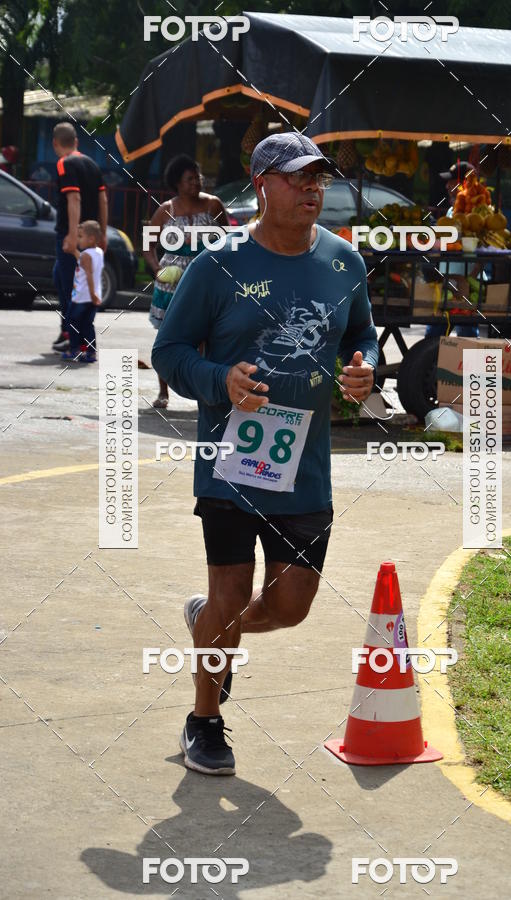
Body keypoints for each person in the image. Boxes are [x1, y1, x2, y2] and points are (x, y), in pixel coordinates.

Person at [152, 132, 379, 775]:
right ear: (262, 187)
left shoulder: (344, 262)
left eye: (319, 178)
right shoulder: (217, 265)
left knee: (289, 607)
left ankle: (209, 629)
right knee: (230, 588)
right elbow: (171, 351)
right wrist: (219, 380)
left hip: (305, 466)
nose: (313, 188)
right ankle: (205, 721)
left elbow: (361, 335)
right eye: (297, 178)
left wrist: (366, 368)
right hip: (231, 459)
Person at [143, 155, 228, 408]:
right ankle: (163, 392)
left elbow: (229, 241)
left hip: (207, 278)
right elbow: (148, 246)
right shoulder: (165, 209)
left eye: (198, 178)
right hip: (172, 281)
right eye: (190, 179)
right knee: (167, 336)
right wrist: (157, 269)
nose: (196, 183)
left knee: (206, 337)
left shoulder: (214, 205)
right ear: (177, 183)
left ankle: (203, 391)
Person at [51, 122, 107, 352]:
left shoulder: (65, 163)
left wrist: (72, 235)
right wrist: (102, 233)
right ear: (76, 142)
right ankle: (70, 331)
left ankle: (77, 337)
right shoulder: (92, 164)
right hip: (91, 237)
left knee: (71, 288)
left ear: (55, 144)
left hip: (73, 235)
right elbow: (103, 201)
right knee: (60, 277)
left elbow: (74, 199)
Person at [425, 161, 480, 340]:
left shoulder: (477, 212)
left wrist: (469, 280)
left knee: (468, 336)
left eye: (451, 182)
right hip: (447, 282)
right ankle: (432, 365)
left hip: (466, 281)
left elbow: (484, 249)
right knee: (434, 336)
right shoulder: (450, 211)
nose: (447, 186)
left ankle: (475, 369)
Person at [62, 220, 104, 363]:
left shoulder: (86, 255)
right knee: (87, 325)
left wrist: (91, 294)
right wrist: (74, 251)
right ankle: (91, 353)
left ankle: (74, 350)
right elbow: (85, 262)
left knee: (72, 322)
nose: (78, 239)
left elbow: (89, 274)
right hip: (93, 296)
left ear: (91, 238)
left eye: (80, 236)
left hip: (82, 297)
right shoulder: (98, 252)